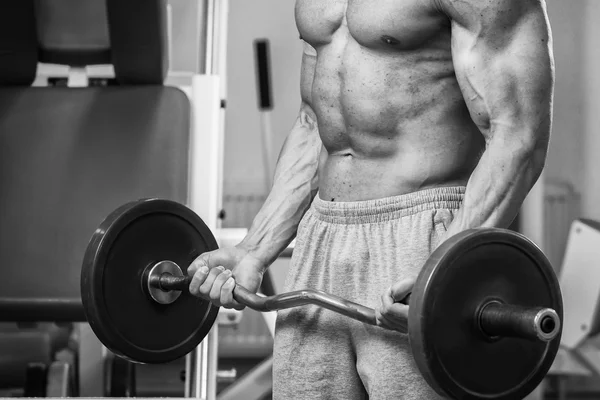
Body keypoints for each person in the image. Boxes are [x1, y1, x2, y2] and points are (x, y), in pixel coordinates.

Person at [188, 0, 554, 398]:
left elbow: (517, 135)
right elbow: (315, 121)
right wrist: (254, 251)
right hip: (322, 236)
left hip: (421, 238)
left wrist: (446, 271)